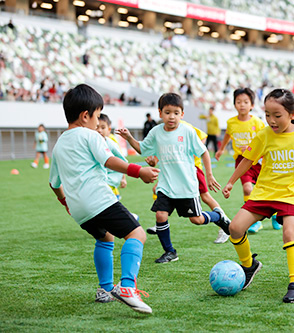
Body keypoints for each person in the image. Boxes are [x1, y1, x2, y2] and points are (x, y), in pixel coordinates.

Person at [222, 89, 294, 303]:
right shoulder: (264, 134)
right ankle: (249, 265)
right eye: (267, 115)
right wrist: (231, 182)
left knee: (289, 232)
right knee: (235, 228)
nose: (271, 120)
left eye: (277, 115)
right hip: (265, 192)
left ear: (293, 114)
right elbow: (247, 160)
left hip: (292, 194)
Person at [49, 84, 159, 314]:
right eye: (98, 116)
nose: (98, 123)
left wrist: (65, 204)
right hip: (98, 199)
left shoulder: (59, 144)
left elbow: (54, 183)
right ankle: (127, 287)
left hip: (79, 210)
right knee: (137, 234)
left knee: (106, 239)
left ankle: (105, 289)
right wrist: (139, 172)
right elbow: (109, 160)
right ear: (85, 115)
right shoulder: (90, 135)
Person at [116, 93, 231, 264]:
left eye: (176, 113)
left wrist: (209, 175)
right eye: (168, 112)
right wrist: (129, 138)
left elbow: (204, 152)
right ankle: (170, 252)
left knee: (197, 220)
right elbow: (143, 149)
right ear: (160, 113)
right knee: (161, 216)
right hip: (166, 186)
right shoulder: (156, 132)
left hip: (187, 187)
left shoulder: (187, 131)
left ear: (182, 114)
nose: (172, 117)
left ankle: (218, 217)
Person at [145, 120, 229, 244]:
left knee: (205, 198)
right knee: (157, 190)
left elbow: (203, 138)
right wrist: (153, 161)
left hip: (192, 170)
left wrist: (189, 155)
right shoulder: (160, 130)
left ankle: (224, 223)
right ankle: (161, 222)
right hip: (174, 172)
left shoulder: (185, 126)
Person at [215, 88, 274, 233]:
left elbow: (265, 139)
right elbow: (228, 135)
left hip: (259, 160)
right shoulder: (231, 122)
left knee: (267, 190)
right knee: (247, 188)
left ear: (252, 105)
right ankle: (254, 221)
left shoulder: (258, 122)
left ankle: (274, 214)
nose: (242, 105)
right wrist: (221, 149)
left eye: (246, 102)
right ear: (234, 104)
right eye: (239, 102)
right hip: (242, 161)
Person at [97, 114, 127, 200]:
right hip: (100, 179)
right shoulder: (92, 143)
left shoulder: (111, 143)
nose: (99, 130)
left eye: (103, 128)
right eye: (96, 127)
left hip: (110, 180)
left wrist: (123, 178)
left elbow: (122, 160)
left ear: (109, 129)